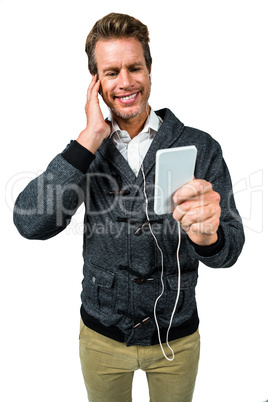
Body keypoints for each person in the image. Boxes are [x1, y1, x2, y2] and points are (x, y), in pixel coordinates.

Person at [13, 12, 245, 402]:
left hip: (176, 338)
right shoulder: (87, 153)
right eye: (111, 72)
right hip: (102, 338)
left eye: (134, 67)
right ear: (96, 83)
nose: (125, 82)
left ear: (149, 69)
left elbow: (230, 252)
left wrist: (209, 239)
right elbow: (31, 222)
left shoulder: (201, 146)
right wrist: (89, 137)